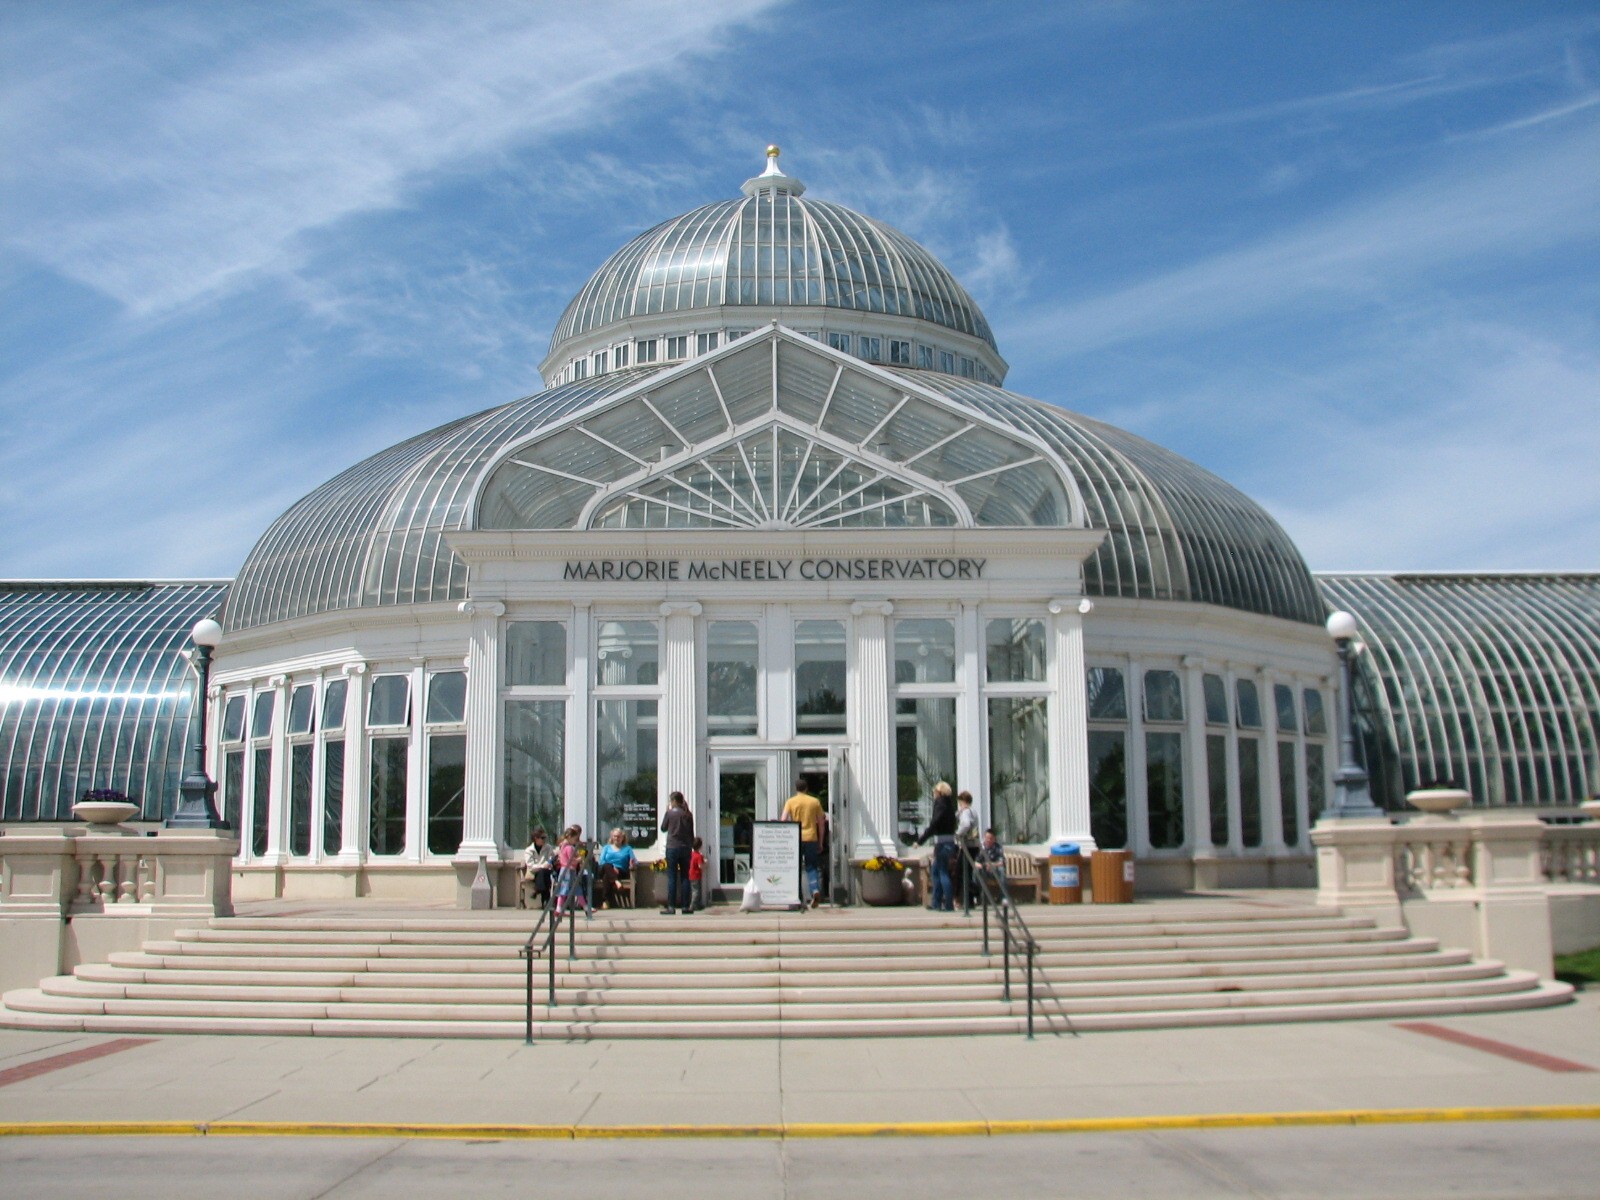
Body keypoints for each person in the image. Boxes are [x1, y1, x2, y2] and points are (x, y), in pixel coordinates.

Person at [780, 777, 827, 908]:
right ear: (806, 788)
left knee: (796, 867)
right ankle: (814, 890)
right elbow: (821, 823)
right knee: (811, 866)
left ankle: (798, 896)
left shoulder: (791, 802)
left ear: (796, 789)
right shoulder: (814, 802)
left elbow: (783, 819)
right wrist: (821, 841)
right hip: (811, 837)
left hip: (796, 838)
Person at [914, 781, 957, 912]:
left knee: (942, 872)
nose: (933, 793)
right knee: (935, 871)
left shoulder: (940, 804)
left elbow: (934, 824)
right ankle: (936, 902)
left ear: (939, 792)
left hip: (943, 844)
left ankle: (948, 904)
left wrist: (920, 840)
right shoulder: (949, 804)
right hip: (949, 842)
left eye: (935, 791)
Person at [660, 791, 694, 915]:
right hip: (685, 848)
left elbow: (663, 828)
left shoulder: (669, 813)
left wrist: (666, 812)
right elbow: (691, 833)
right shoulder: (688, 814)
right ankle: (685, 906)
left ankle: (671, 906)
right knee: (685, 877)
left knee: (672, 877)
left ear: (673, 801)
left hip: (672, 847)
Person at [596, 827, 636, 908]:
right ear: (612, 837)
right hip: (606, 868)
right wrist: (612, 867)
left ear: (622, 837)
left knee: (607, 876)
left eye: (618, 836)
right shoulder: (606, 847)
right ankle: (616, 881)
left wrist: (632, 864)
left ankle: (605, 901)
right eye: (615, 836)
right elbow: (601, 861)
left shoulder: (628, 849)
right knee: (608, 866)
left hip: (620, 871)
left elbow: (634, 860)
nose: (616, 838)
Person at [553, 825, 588, 915]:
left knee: (577, 889)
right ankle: (559, 908)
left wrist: (582, 853)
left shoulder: (574, 845)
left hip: (571, 870)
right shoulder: (568, 847)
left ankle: (585, 907)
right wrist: (579, 859)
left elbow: (583, 853)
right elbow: (571, 860)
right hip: (568, 869)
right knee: (565, 889)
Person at [954, 790, 979, 910]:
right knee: (968, 872)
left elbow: (965, 824)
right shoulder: (973, 811)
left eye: (960, 803)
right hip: (974, 846)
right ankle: (970, 900)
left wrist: (957, 834)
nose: (959, 806)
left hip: (967, 845)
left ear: (963, 802)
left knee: (961, 872)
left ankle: (969, 897)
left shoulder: (966, 812)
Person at [974, 827, 1010, 905]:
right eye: (987, 838)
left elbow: (1002, 862)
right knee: (976, 872)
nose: (988, 840)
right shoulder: (981, 848)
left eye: (991, 838)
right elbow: (976, 862)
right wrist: (983, 866)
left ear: (994, 839)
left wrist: (991, 865)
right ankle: (982, 897)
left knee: (1001, 870)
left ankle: (1003, 898)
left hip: (995, 871)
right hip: (984, 871)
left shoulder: (998, 848)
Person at [521, 826, 555, 909]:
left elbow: (552, 858)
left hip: (547, 871)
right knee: (542, 873)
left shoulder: (548, 848)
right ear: (536, 838)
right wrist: (542, 866)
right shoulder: (529, 850)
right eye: (542, 838)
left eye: (545, 838)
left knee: (544, 873)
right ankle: (546, 900)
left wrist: (548, 864)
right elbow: (530, 865)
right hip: (535, 872)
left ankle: (538, 890)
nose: (544, 840)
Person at [689, 836, 706, 911]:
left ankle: (697, 905)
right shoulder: (699, 856)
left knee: (695, 890)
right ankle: (692, 905)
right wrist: (705, 863)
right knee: (696, 891)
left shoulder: (692, 854)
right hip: (696, 875)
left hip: (691, 874)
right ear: (700, 846)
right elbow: (700, 866)